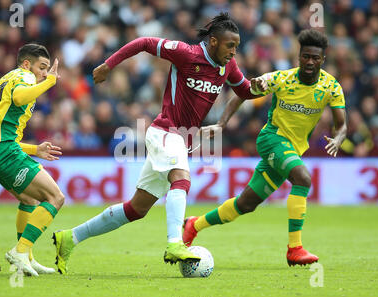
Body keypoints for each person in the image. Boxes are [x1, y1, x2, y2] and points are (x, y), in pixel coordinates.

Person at [53, 12, 259, 274]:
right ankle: (174, 243)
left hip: (179, 141)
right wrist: (108, 65)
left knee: (136, 209)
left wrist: (268, 85)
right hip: (164, 131)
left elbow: (244, 91)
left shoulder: (227, 66)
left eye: (237, 47)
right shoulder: (186, 53)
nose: (234, 52)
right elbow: (144, 42)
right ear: (214, 42)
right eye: (230, 45)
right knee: (181, 179)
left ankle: (70, 238)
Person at [183, 29, 347, 266]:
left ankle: (194, 224)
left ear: (323, 60)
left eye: (315, 58)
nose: (310, 61)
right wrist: (221, 123)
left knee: (245, 204)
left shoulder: (331, 87)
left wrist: (339, 138)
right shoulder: (281, 79)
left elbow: (341, 125)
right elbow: (242, 93)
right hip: (272, 138)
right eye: (306, 56)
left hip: (293, 148)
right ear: (299, 57)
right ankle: (295, 249)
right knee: (302, 178)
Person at [0, 43, 64, 276]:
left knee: (30, 200)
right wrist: (49, 81)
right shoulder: (24, 76)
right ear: (26, 64)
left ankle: (27, 258)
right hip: (2, 151)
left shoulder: (5, 80)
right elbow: (20, 97)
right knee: (55, 197)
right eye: (41, 67)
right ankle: (20, 251)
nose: (44, 72)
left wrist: (34, 149)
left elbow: (0, 132)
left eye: (46, 69)